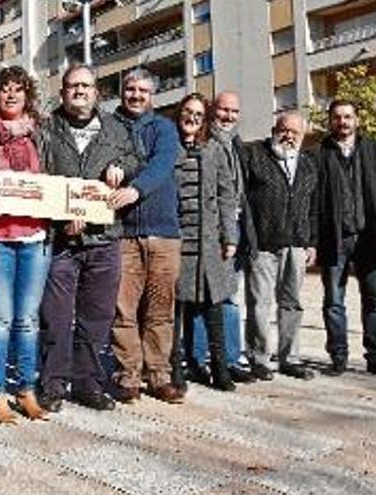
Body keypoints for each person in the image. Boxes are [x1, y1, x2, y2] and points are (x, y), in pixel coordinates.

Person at [37, 65, 139, 413]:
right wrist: (62, 217)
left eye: (86, 85)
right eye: (72, 86)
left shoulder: (116, 128)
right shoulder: (46, 129)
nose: (79, 91)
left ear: (97, 92)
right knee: (56, 318)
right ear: (63, 92)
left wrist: (123, 169)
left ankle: (88, 384)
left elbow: (135, 159)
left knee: (97, 317)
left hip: (105, 238)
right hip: (61, 241)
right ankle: (52, 384)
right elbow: (37, 181)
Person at [0, 66, 52, 424]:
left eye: (18, 89)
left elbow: (55, 177)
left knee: (28, 320)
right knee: (0, 318)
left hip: (34, 237)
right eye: (5, 90)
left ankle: (27, 390)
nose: (12, 95)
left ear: (27, 95)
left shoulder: (42, 133)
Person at [108, 69, 184, 404]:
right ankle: (128, 375)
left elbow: (162, 165)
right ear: (122, 92)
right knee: (122, 309)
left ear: (152, 94)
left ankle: (159, 375)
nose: (136, 95)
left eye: (142, 90)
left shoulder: (165, 129)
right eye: (130, 89)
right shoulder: (109, 127)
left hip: (163, 233)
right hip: (123, 233)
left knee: (160, 309)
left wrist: (134, 189)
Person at [315, 100, 376, 379]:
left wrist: (375, 213)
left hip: (369, 237)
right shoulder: (318, 154)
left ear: (357, 120)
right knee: (333, 300)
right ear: (330, 121)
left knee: (375, 300)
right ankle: (338, 356)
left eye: (348, 117)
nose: (343, 122)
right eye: (337, 117)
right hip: (335, 238)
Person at [185, 92, 256, 384]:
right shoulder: (205, 143)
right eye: (223, 110)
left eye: (234, 111)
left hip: (233, 230)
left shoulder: (235, 143)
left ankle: (228, 357)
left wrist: (237, 234)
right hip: (209, 232)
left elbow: (238, 192)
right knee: (205, 297)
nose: (228, 116)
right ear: (212, 110)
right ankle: (200, 358)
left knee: (227, 297)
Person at [243, 111, 318, 381]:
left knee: (292, 304)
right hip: (262, 244)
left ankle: (290, 358)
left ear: (302, 136)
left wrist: (311, 242)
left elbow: (314, 208)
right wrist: (249, 238)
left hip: (296, 244)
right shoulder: (255, 155)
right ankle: (259, 358)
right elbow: (244, 201)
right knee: (260, 303)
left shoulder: (309, 164)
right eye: (284, 130)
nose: (288, 136)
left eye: (295, 133)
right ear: (275, 128)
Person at [171, 93, 238, 392]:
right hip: (176, 239)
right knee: (176, 309)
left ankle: (220, 367)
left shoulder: (214, 149)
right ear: (179, 114)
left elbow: (226, 195)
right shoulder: (167, 146)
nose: (192, 118)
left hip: (209, 241)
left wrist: (230, 236)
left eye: (199, 114)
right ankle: (176, 367)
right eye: (188, 112)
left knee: (214, 306)